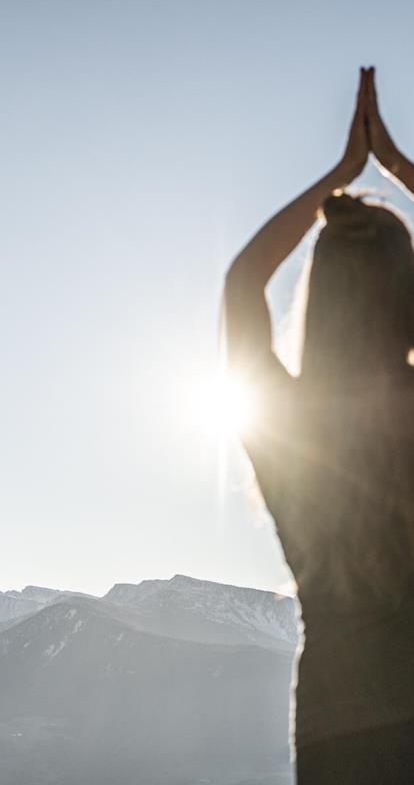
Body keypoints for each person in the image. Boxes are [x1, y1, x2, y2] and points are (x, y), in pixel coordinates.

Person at [222, 67, 414, 784]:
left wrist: (341, 175)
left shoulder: (293, 429)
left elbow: (243, 281)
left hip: (338, 732)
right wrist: (393, 168)